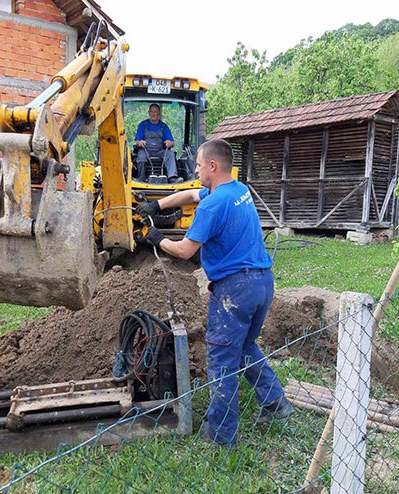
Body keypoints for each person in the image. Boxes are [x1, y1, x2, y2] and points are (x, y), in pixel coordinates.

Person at [136, 138, 294, 445]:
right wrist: (157, 204)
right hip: (262, 283)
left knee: (222, 360)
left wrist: (155, 238)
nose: (195, 169)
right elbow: (191, 193)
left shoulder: (212, 206)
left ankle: (221, 436)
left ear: (212, 165)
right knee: (246, 345)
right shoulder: (238, 190)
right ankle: (276, 403)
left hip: (234, 290)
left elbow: (183, 250)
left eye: (197, 164)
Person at [135, 104, 183, 183]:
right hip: (146, 150)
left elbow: (172, 142)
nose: (153, 114)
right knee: (141, 156)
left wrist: (169, 143)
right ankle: (141, 178)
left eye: (155, 112)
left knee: (170, 154)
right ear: (149, 113)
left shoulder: (164, 127)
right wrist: (140, 142)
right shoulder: (142, 125)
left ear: (159, 113)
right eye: (151, 112)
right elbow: (137, 141)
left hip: (160, 151)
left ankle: (172, 178)